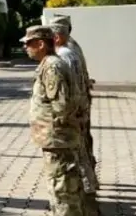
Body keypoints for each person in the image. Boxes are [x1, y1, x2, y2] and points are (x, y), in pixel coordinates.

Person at [22, 24, 98, 216]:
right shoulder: (50, 64)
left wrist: (56, 130)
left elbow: (61, 107)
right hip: (57, 139)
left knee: (63, 192)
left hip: (58, 140)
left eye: (29, 43)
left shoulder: (52, 67)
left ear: (40, 44)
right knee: (66, 189)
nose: (25, 47)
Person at [47, 17, 96, 171]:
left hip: (74, 107)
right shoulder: (73, 48)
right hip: (81, 103)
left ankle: (87, 186)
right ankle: (89, 180)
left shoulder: (64, 54)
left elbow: (67, 86)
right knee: (83, 143)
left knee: (78, 147)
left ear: (56, 36)